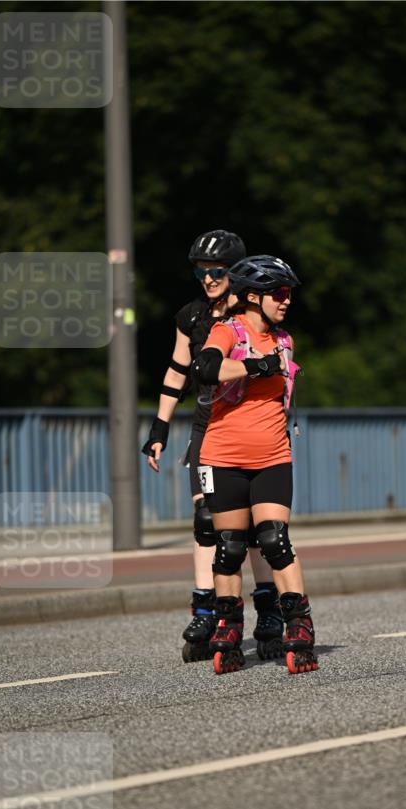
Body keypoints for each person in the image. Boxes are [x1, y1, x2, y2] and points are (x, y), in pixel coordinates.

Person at [141, 231, 283, 662]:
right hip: (207, 432)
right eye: (201, 272)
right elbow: (176, 370)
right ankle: (207, 610)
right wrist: (158, 429)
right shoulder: (191, 317)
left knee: (259, 528)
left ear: (236, 273)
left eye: (217, 272)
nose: (208, 279)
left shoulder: (252, 314)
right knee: (209, 522)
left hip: (254, 429)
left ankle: (270, 613)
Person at [192, 254, 318, 676]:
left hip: (272, 456)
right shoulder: (227, 330)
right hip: (222, 455)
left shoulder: (285, 341)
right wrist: (255, 365)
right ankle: (229, 626)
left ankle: (298, 624)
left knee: (274, 539)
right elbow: (206, 367)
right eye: (279, 294)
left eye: (288, 295)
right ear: (251, 297)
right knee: (229, 546)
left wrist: (268, 362)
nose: (286, 302)